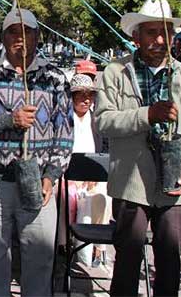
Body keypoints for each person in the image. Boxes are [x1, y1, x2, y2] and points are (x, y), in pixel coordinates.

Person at [95, 0, 181, 296]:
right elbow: (104, 121)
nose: (159, 40)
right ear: (136, 36)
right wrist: (147, 115)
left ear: (174, 37)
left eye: (166, 33)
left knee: (170, 265)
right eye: (151, 32)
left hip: (176, 189)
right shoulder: (116, 72)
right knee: (127, 265)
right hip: (131, 185)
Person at [0, 8, 72, 296]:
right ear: (3, 36)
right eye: (13, 31)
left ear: (37, 36)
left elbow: (64, 135)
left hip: (39, 185)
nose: (20, 38)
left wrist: (51, 176)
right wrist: (9, 120)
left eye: (28, 31)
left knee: (39, 259)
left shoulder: (54, 78)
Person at [59, 73, 110, 268]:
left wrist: (95, 175)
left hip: (93, 177)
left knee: (103, 196)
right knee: (64, 195)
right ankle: (63, 244)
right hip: (66, 175)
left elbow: (105, 153)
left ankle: (98, 247)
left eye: (89, 95)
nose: (86, 100)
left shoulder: (98, 122)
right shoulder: (63, 120)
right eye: (80, 95)